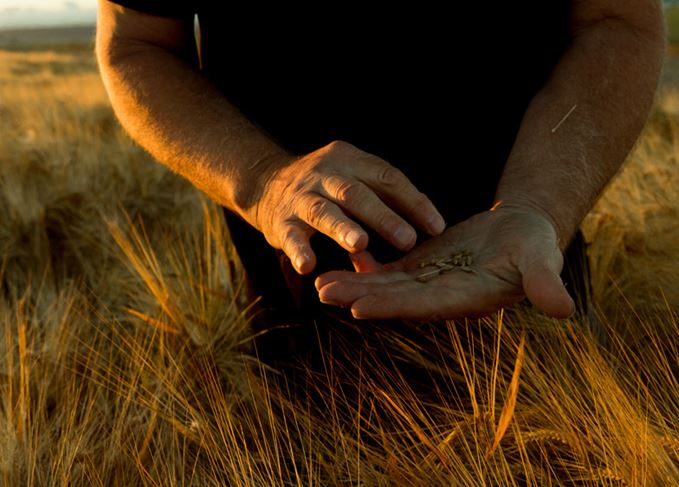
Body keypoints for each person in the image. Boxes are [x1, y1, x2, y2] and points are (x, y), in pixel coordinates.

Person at [96, 1, 665, 356]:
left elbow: (617, 19)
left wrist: (537, 203)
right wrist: (264, 182)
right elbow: (137, 41)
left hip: (527, 257)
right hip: (298, 278)